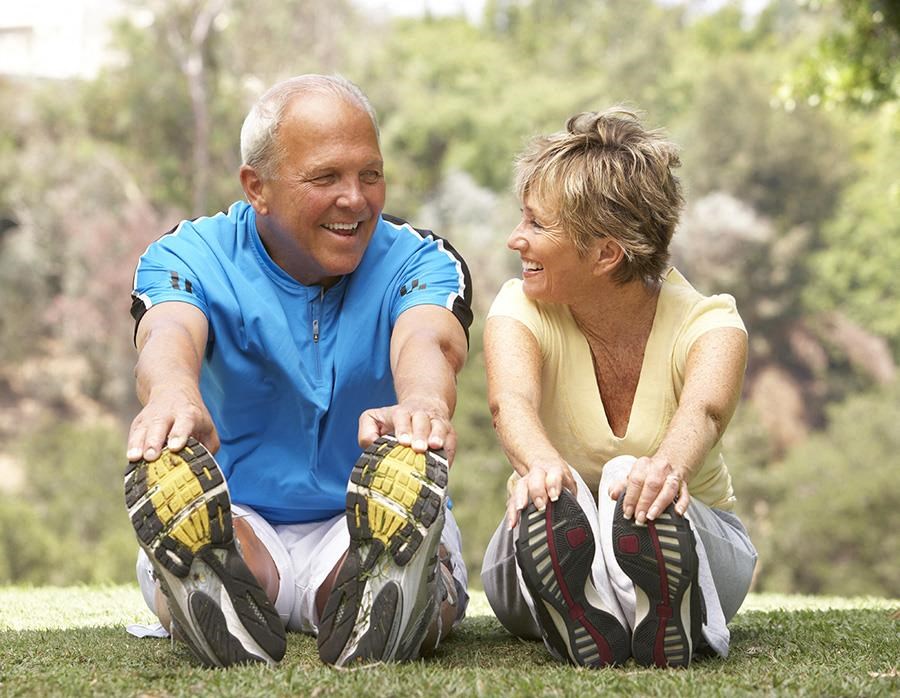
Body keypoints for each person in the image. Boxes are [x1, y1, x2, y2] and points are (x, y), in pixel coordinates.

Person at [124, 74, 472, 668]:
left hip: (363, 516)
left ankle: (400, 589)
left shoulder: (420, 259)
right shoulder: (188, 255)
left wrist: (423, 403)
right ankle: (205, 577)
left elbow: (428, 339)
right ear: (256, 187)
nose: (355, 199)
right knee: (232, 551)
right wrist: (173, 395)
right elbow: (168, 331)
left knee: (372, 567)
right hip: (236, 512)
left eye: (370, 174)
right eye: (325, 177)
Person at [480, 108, 757, 669]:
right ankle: (618, 604)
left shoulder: (711, 324)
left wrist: (663, 472)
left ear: (606, 253)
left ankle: (630, 597)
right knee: (558, 502)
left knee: (626, 480)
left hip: (699, 541)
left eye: (537, 225)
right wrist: (542, 468)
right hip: (539, 527)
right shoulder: (519, 309)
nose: (516, 239)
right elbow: (511, 403)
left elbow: (703, 412)